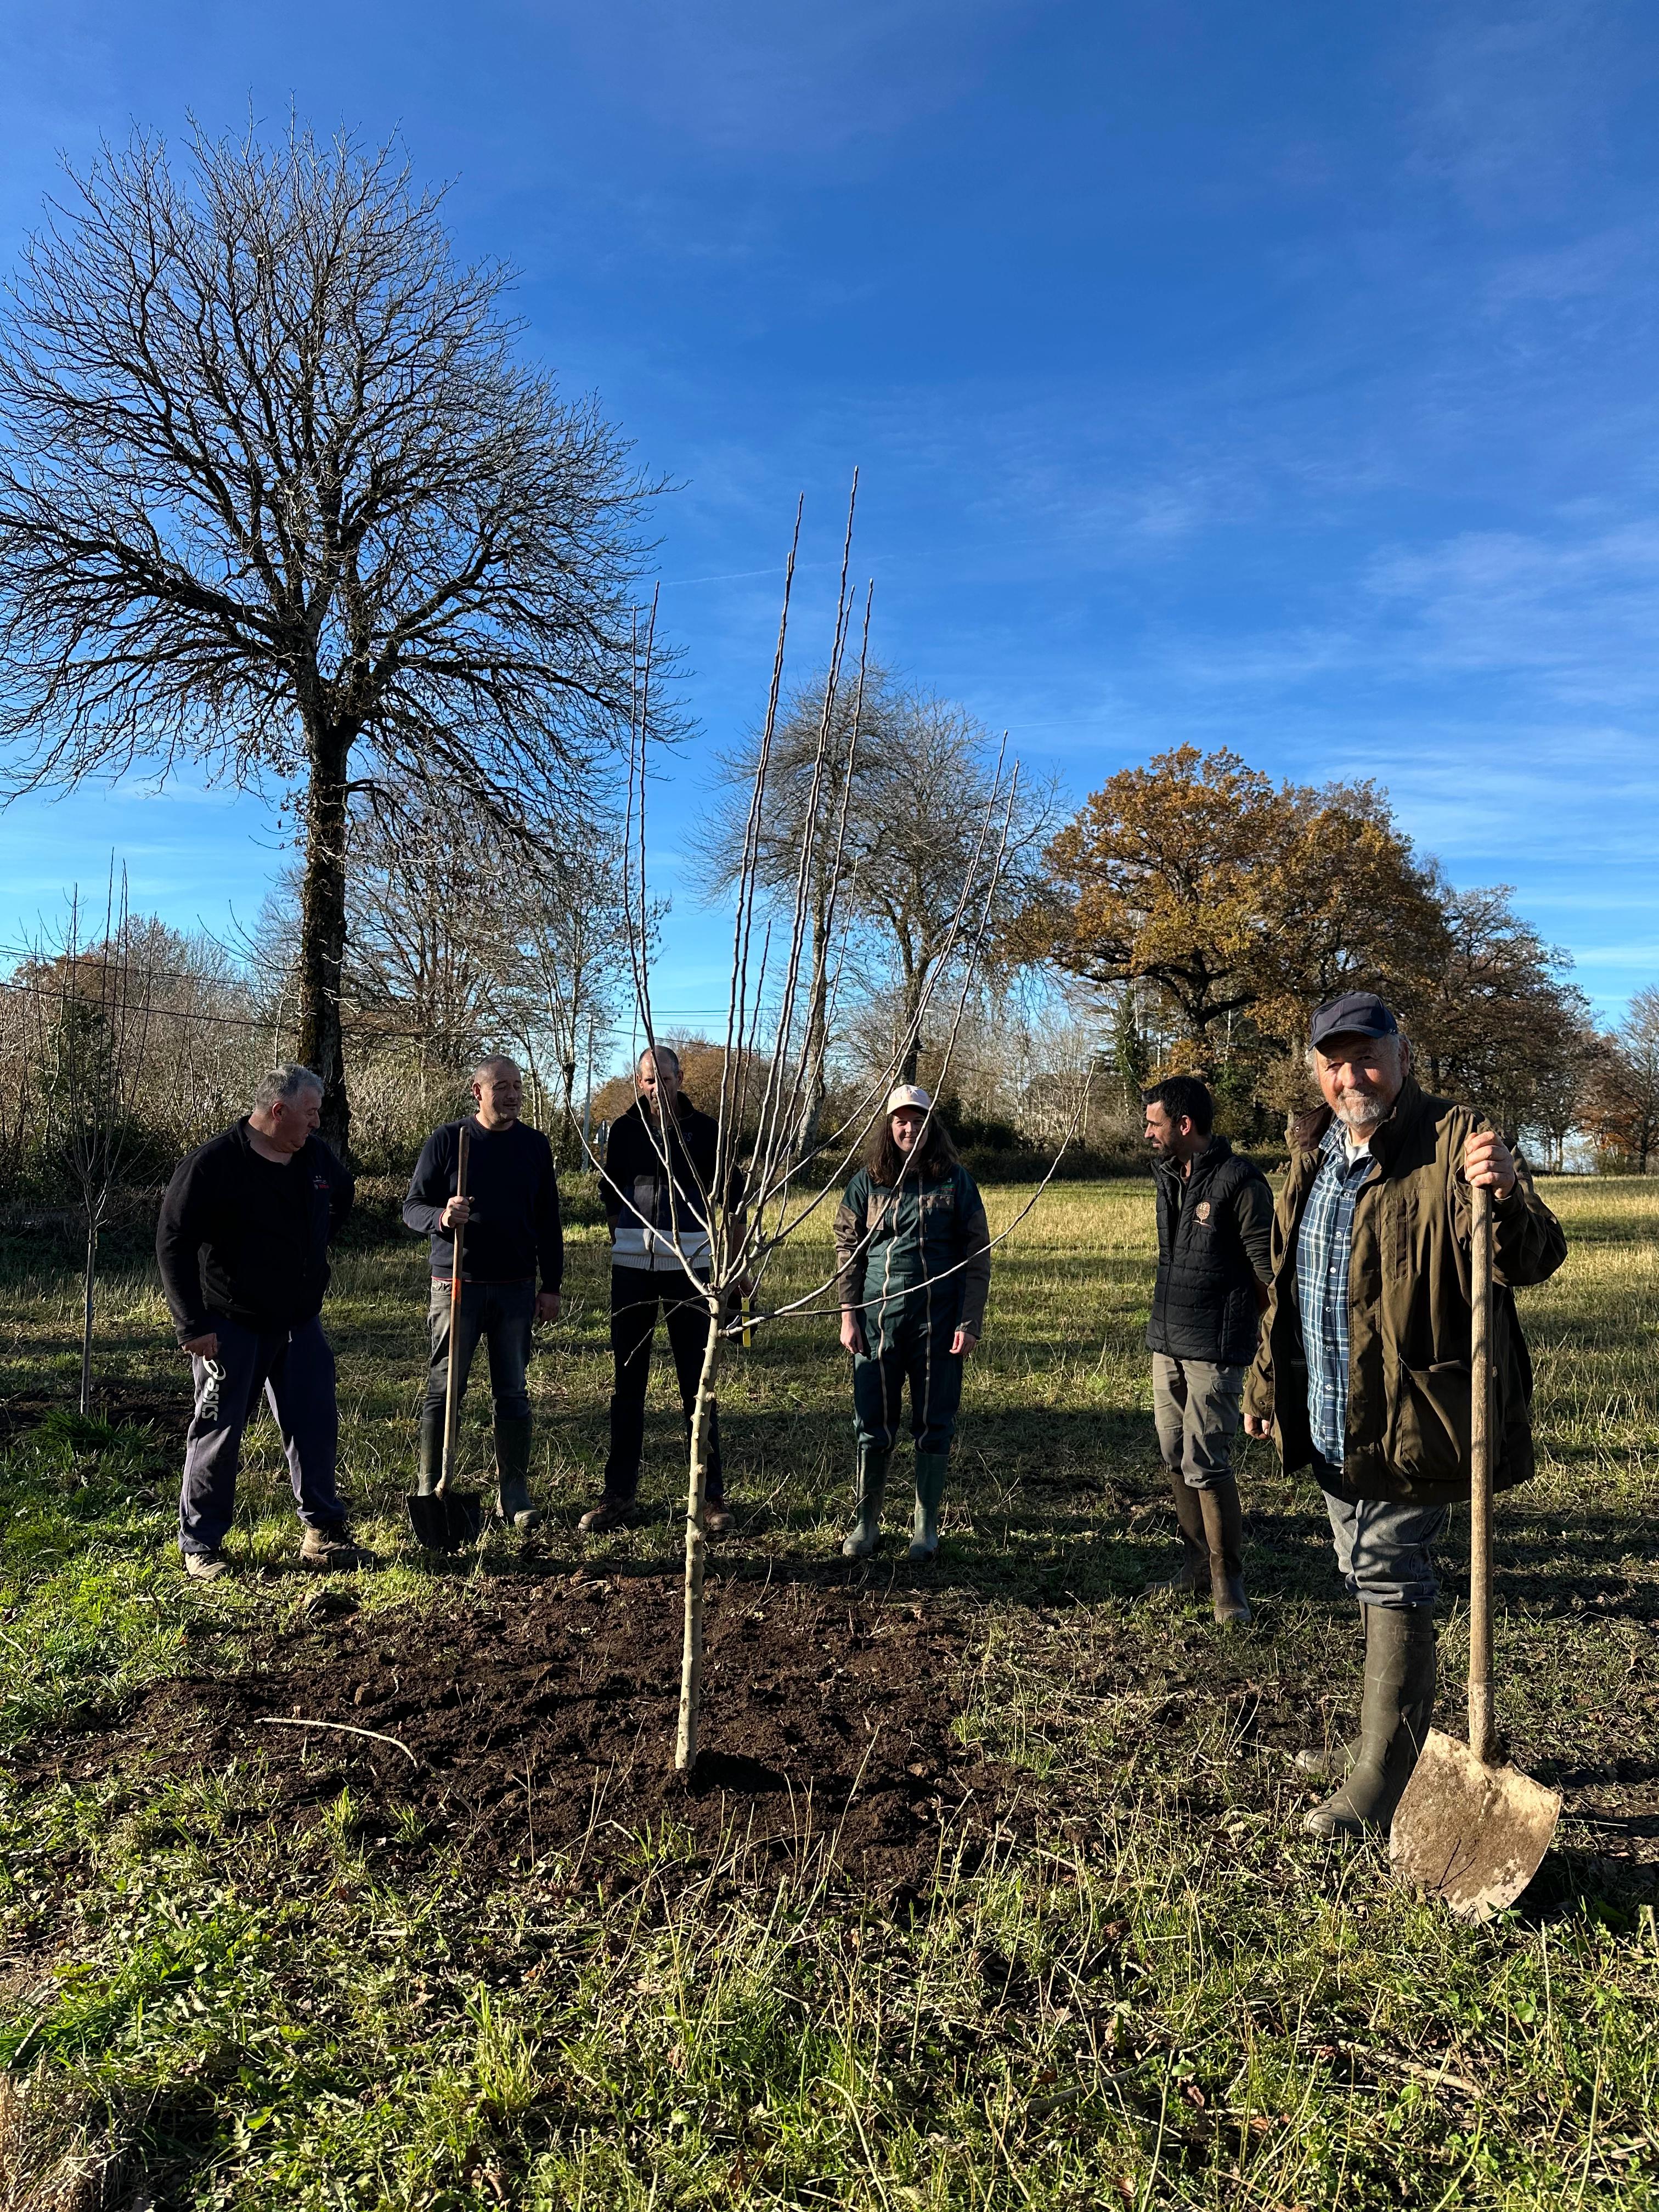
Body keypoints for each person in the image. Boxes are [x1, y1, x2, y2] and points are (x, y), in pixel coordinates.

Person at [1243, 990, 1567, 1838]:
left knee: (1388, 1568)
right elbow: (1290, 1288)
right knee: (1359, 1566)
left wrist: (1505, 1198)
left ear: (1403, 1052)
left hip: (1415, 1415)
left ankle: (1381, 1776)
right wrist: (1260, 1388)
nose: (1352, 1074)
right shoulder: (1312, 1152)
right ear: (1316, 1070)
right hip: (1330, 1414)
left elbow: (1534, 1258)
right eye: (1334, 1060)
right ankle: (1388, 1734)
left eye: (1367, 1055)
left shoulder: (1458, 1139)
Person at [155, 1063, 360, 1581]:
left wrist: (312, 1248)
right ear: (278, 1111)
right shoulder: (214, 1164)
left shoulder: (314, 1157)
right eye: (310, 1113)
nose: (317, 1122)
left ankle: (324, 1531)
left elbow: (343, 1194)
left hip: (301, 1324)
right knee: (219, 1432)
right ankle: (201, 1543)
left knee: (313, 1423)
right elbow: (173, 1243)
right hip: (230, 1327)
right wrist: (192, 1324)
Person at [579, 1046, 737, 1536]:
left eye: (664, 1079)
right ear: (638, 1081)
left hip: (692, 1273)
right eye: (648, 1079)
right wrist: (628, 1242)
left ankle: (709, 1497)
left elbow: (730, 1201)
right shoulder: (624, 1131)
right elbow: (612, 1199)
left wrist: (733, 1268)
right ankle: (619, 1495)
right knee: (628, 1387)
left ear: (680, 1079)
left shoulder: (706, 1131)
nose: (656, 1087)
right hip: (632, 1273)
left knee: (698, 1384)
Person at [403, 1056, 563, 1531]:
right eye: (502, 1087)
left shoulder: (536, 1146)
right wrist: (441, 1217)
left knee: (512, 1393)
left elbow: (549, 1222)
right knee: (444, 1390)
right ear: (478, 1092)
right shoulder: (449, 1141)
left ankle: (513, 1493)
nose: (513, 1095)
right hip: (457, 1285)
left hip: (516, 1289)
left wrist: (551, 1285)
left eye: (518, 1086)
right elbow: (412, 1207)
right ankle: (431, 1485)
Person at [834, 1084, 992, 1563]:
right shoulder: (867, 1182)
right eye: (900, 1120)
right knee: (873, 1424)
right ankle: (867, 1523)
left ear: (931, 1126)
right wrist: (848, 1316)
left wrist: (969, 1321)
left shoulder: (956, 1181)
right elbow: (847, 1250)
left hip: (939, 1322)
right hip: (877, 1319)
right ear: (889, 1126)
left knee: (934, 1423)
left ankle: (926, 1529)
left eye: (918, 1119)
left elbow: (977, 1255)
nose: (909, 1127)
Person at [1142, 1074, 1273, 1626]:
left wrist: (1271, 1370)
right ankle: (1195, 1567)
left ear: (1184, 1125)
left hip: (1216, 1351)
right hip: (1165, 1344)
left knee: (1206, 1464)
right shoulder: (1168, 1175)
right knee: (1175, 1458)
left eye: (1155, 1123)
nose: (1147, 1133)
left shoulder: (1241, 1182)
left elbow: (1271, 1278)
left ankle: (1228, 1586)